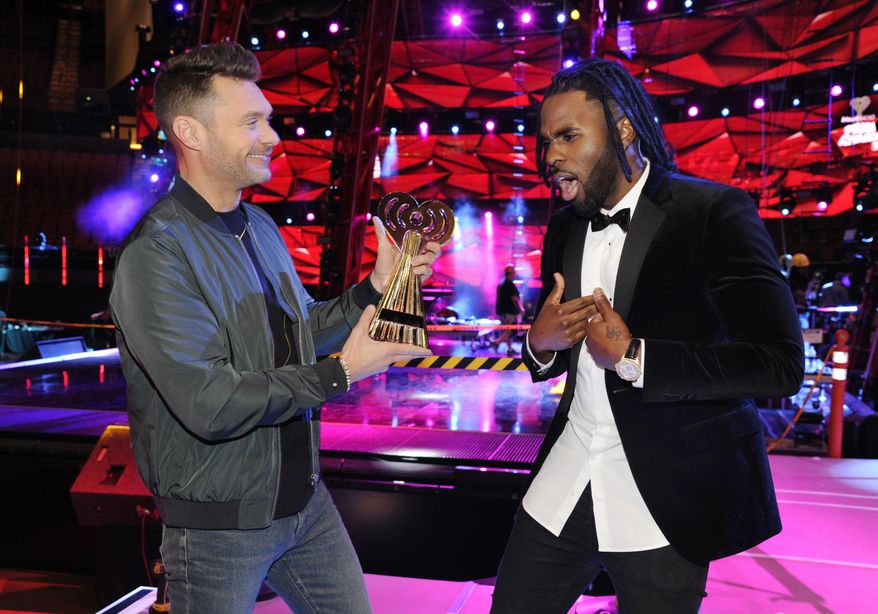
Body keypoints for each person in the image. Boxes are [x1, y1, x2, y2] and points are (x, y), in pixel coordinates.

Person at [109, 42, 442, 614]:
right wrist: (341, 373)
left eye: (268, 119)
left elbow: (299, 331)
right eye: (251, 122)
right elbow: (211, 403)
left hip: (304, 505)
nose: (272, 136)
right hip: (217, 529)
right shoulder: (156, 253)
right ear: (189, 132)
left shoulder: (259, 224)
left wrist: (373, 288)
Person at [490, 58, 803, 614]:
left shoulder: (713, 212)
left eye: (568, 136)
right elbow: (555, 347)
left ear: (624, 129)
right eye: (545, 141)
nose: (551, 156)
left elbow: (778, 364)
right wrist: (539, 344)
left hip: (666, 495)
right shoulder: (563, 226)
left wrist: (635, 356)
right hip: (565, 478)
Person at [494, 264, 524, 356]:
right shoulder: (509, 284)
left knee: (508, 330)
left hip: (502, 312)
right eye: (514, 273)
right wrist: (521, 308)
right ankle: (496, 342)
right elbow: (514, 298)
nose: (515, 274)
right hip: (508, 312)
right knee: (511, 330)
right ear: (511, 273)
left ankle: (510, 349)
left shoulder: (501, 283)